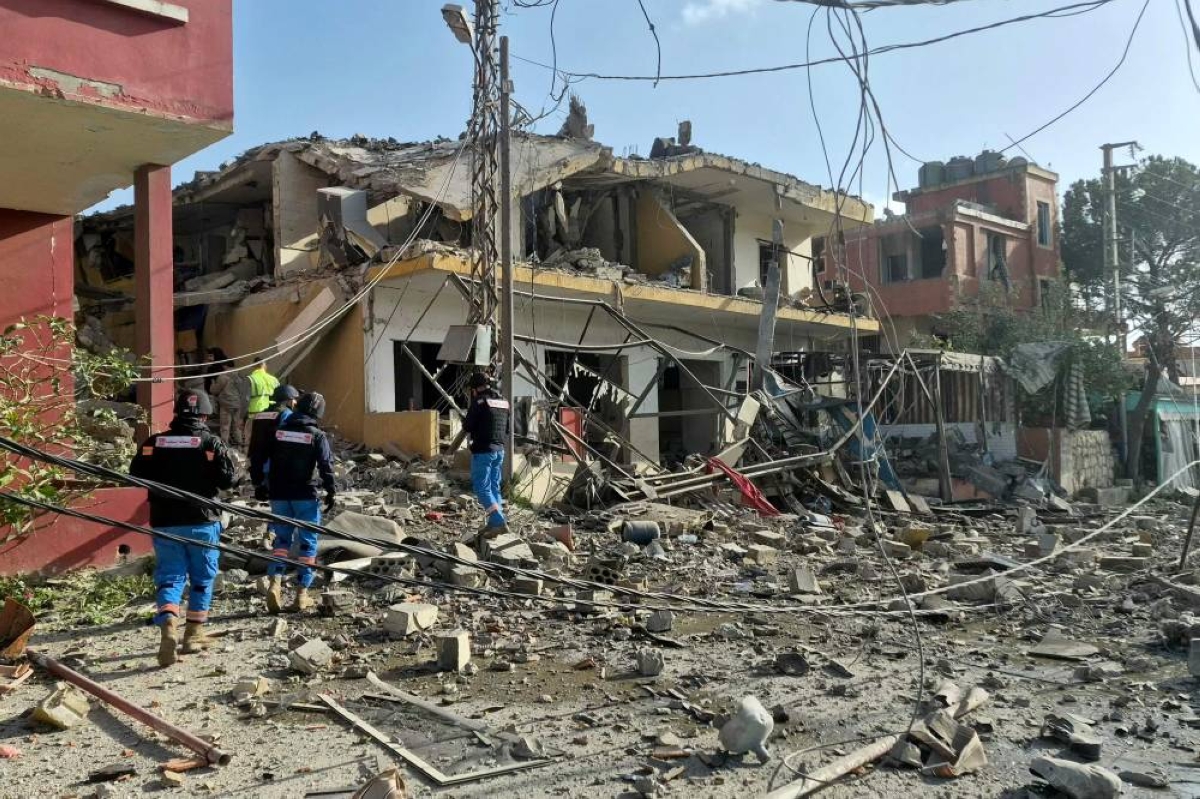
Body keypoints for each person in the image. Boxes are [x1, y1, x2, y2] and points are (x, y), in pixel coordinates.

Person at [129, 389, 236, 667]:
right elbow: (227, 480)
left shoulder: (155, 442)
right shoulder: (211, 443)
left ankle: (168, 626)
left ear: (176, 412)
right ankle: (193, 635)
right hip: (202, 522)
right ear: (204, 414)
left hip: (165, 522)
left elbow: (136, 473)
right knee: (202, 579)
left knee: (170, 577)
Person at [263, 392, 336, 614]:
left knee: (281, 541)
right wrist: (331, 491)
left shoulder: (278, 433)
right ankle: (301, 594)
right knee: (307, 543)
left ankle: (274, 582)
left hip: (279, 495)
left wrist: (262, 484)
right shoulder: (317, 435)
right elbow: (326, 466)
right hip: (305, 495)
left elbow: (264, 458)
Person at [463, 372, 511, 536]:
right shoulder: (504, 402)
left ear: (475, 389)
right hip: (499, 451)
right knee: (493, 487)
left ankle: (498, 521)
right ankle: (494, 523)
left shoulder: (479, 402)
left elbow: (467, 426)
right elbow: (507, 429)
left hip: (483, 451)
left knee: (481, 487)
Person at [248, 384, 300, 499]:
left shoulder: (260, 414)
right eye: (294, 399)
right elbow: (286, 440)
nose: (295, 402)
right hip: (275, 463)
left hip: (259, 460)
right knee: (281, 498)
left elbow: (254, 437)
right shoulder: (286, 414)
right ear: (287, 400)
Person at [207, 353, 245, 447]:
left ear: (225, 365)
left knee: (225, 427)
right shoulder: (240, 375)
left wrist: (212, 383)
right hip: (238, 404)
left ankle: (225, 446)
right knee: (236, 427)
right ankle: (239, 445)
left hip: (226, 405)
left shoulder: (223, 376)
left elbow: (214, 390)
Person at [245, 359, 279, 445]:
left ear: (253, 366)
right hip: (270, 415)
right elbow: (279, 396)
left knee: (250, 440)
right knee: (266, 440)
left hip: (254, 415)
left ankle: (249, 457)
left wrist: (242, 417)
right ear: (265, 366)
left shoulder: (250, 379)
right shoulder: (273, 379)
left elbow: (244, 399)